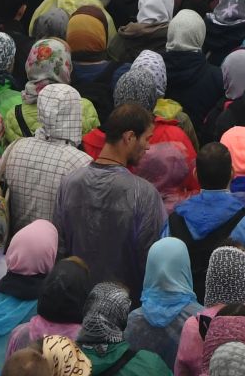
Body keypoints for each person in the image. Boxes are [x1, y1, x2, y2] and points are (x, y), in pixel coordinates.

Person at [53, 103, 168, 294]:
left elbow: (58, 249)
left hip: (74, 301)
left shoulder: (69, 184)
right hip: (123, 311)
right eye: (147, 139)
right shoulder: (144, 193)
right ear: (129, 137)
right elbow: (152, 260)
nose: (148, 147)